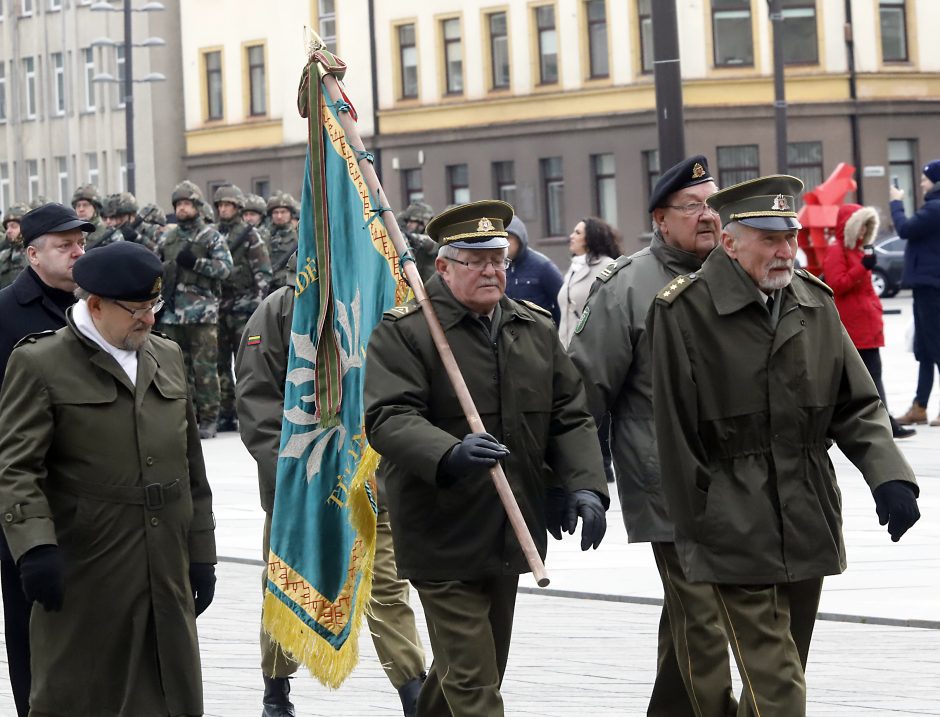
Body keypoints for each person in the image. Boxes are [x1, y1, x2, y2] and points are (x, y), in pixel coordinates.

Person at [647, 174, 920, 716]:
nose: (785, 251)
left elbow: (856, 405)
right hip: (731, 523)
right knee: (780, 688)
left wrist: (889, 474)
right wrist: (694, 528)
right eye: (769, 239)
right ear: (730, 241)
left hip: (807, 516)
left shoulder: (813, 302)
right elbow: (675, 433)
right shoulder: (684, 312)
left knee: (780, 672)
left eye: (789, 237)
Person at [364, 200, 609, 717]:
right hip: (442, 530)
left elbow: (568, 412)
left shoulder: (532, 328)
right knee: (475, 685)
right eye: (475, 261)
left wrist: (583, 484)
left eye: (498, 259)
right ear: (444, 266)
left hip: (509, 524)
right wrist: (448, 452)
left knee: (472, 670)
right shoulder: (407, 331)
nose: (492, 271)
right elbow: (387, 417)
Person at [0, 241, 217, 717]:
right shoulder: (41, 363)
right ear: (94, 305)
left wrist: (202, 554)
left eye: (154, 306)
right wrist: (35, 548)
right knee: (80, 695)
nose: (149, 319)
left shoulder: (167, 356)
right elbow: (16, 468)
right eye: (137, 309)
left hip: (165, 566)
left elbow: (191, 468)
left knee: (170, 695)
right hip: (88, 566)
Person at [569, 156, 743, 717]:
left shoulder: (735, 271)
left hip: (736, 482)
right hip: (664, 481)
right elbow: (582, 392)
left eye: (713, 205)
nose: (709, 217)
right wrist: (581, 481)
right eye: (693, 207)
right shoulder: (627, 286)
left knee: (689, 620)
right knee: (705, 619)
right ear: (660, 219)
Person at [235, 262, 428, 717]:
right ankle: (276, 692)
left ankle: (414, 692)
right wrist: (288, 471)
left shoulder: (386, 302)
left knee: (387, 589)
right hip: (298, 488)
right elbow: (256, 397)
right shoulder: (283, 307)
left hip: (372, 482)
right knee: (286, 588)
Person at [0, 203, 89, 717]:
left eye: (81, 243)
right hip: (28, 500)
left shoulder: (96, 307)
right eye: (64, 245)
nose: (78, 252)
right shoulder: (5, 315)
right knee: (30, 623)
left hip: (92, 497)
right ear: (33, 255)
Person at [823, 203, 915, 439]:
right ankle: (884, 423)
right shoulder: (837, 251)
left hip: (866, 324)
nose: (863, 232)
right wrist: (862, 268)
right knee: (866, 376)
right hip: (854, 327)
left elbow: (864, 289)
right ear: (850, 227)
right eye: (860, 226)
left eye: (867, 227)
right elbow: (836, 284)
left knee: (870, 375)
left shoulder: (857, 250)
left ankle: (882, 422)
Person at [157, 180, 233, 439]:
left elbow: (224, 269)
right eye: (178, 204)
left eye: (187, 203)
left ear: (198, 206)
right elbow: (158, 269)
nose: (182, 208)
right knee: (177, 370)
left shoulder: (210, 236)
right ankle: (185, 417)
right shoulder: (168, 238)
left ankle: (210, 418)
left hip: (202, 312)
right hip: (172, 313)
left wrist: (197, 263)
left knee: (205, 369)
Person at [214, 184, 272, 433]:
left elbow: (263, 272)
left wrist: (256, 306)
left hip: (244, 307)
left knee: (245, 364)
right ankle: (224, 412)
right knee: (219, 364)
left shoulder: (250, 235)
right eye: (221, 205)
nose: (224, 209)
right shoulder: (214, 234)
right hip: (220, 307)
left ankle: (245, 413)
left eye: (228, 205)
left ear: (237, 207)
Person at [890, 159, 940, 426]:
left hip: (932, 287)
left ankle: (920, 406)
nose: (921, 182)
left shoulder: (935, 208)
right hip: (927, 286)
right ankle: (919, 406)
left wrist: (896, 202)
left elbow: (905, 229)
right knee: (924, 348)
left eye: (925, 178)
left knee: (936, 347)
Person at [557, 217, 620, 347]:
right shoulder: (574, 268)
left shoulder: (607, 265)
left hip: (592, 349)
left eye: (577, 233)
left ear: (591, 238)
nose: (571, 236)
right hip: (566, 350)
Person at [503, 215, 564, 323]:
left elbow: (562, 302)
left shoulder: (543, 267)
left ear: (520, 239)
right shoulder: (497, 267)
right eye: (501, 238)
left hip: (539, 334)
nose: (505, 243)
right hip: (508, 334)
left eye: (509, 238)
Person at [265, 192, 299, 294]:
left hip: (288, 290)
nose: (279, 216)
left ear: (290, 214)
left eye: (283, 212)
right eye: (276, 212)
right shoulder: (262, 237)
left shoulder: (298, 238)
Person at [398, 200, 439, 282]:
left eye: (412, 221)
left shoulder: (434, 233)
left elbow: (432, 244)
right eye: (407, 221)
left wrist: (412, 237)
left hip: (430, 285)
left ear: (423, 222)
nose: (408, 225)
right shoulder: (408, 235)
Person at [71, 184, 109, 249]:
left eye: (85, 205)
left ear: (95, 208)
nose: (81, 209)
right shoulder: (72, 232)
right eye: (78, 206)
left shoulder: (107, 233)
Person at [0, 203, 29, 289]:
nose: (8, 231)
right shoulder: (3, 256)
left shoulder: (38, 255)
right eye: (8, 227)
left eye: (13, 226)